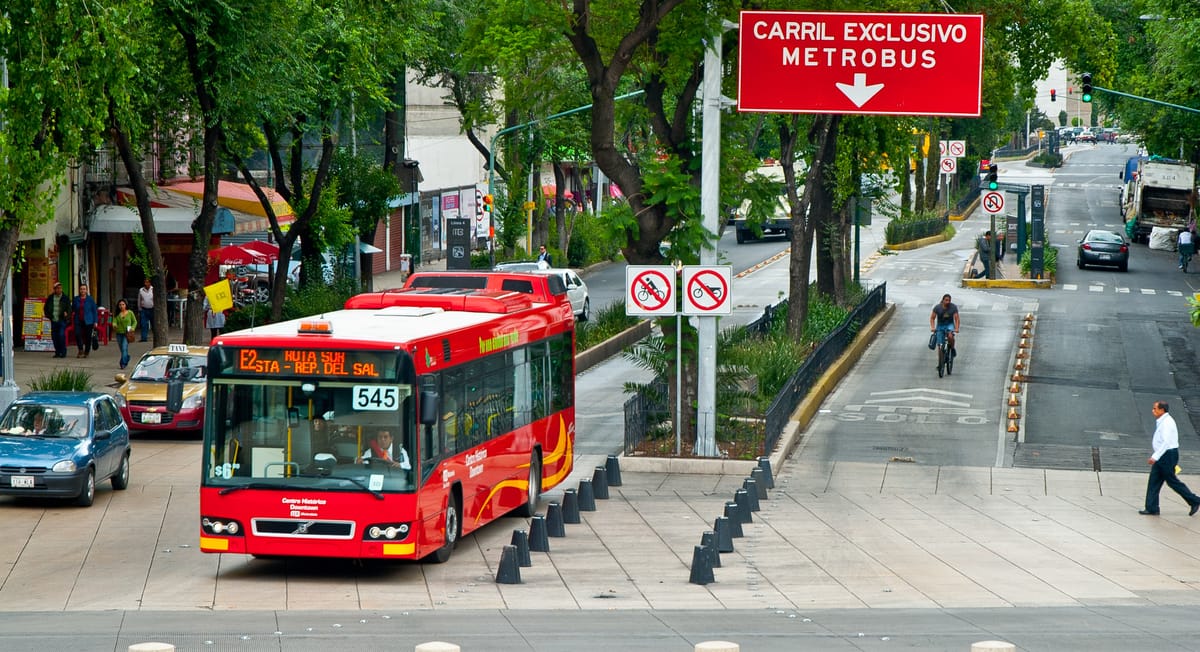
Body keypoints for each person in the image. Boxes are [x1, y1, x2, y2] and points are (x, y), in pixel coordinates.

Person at [1140, 401, 1200, 516]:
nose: (1153, 411)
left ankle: (1195, 500)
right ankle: (1152, 507)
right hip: (1163, 455)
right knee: (1154, 480)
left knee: (1172, 481)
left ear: (1162, 410)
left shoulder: (1167, 422)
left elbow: (1166, 442)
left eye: (1155, 409)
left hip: (1167, 456)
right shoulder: (1163, 421)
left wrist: (1155, 456)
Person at [43, 281, 71, 359]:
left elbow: (69, 308)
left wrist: (67, 315)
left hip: (62, 320)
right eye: (57, 288)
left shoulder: (65, 298)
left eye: (60, 288)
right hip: (53, 320)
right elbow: (46, 308)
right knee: (54, 337)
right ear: (54, 289)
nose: (59, 290)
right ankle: (57, 352)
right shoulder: (51, 298)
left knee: (61, 335)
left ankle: (63, 352)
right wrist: (48, 316)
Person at [929, 293, 960, 360]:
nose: (947, 302)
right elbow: (932, 318)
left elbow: (956, 318)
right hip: (940, 325)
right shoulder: (937, 308)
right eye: (946, 300)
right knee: (940, 345)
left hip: (949, 324)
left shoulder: (953, 307)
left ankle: (952, 348)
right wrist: (933, 327)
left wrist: (957, 328)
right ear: (943, 300)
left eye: (949, 300)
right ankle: (940, 362)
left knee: (950, 336)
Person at [72, 284, 98, 359]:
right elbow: (73, 309)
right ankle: (80, 350)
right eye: (81, 289)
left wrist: (95, 321)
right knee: (77, 334)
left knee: (88, 337)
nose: (82, 290)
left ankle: (87, 351)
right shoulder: (76, 299)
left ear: (86, 290)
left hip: (88, 321)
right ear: (79, 290)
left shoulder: (90, 299)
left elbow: (94, 311)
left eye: (84, 289)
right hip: (78, 320)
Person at [111, 298, 138, 370]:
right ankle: (127, 357)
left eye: (123, 304)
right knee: (122, 350)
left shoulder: (130, 313)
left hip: (127, 334)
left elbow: (135, 322)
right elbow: (114, 321)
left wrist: (132, 328)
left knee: (124, 347)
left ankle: (123, 363)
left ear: (126, 305)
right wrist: (114, 325)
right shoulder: (117, 314)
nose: (121, 306)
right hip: (119, 333)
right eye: (120, 305)